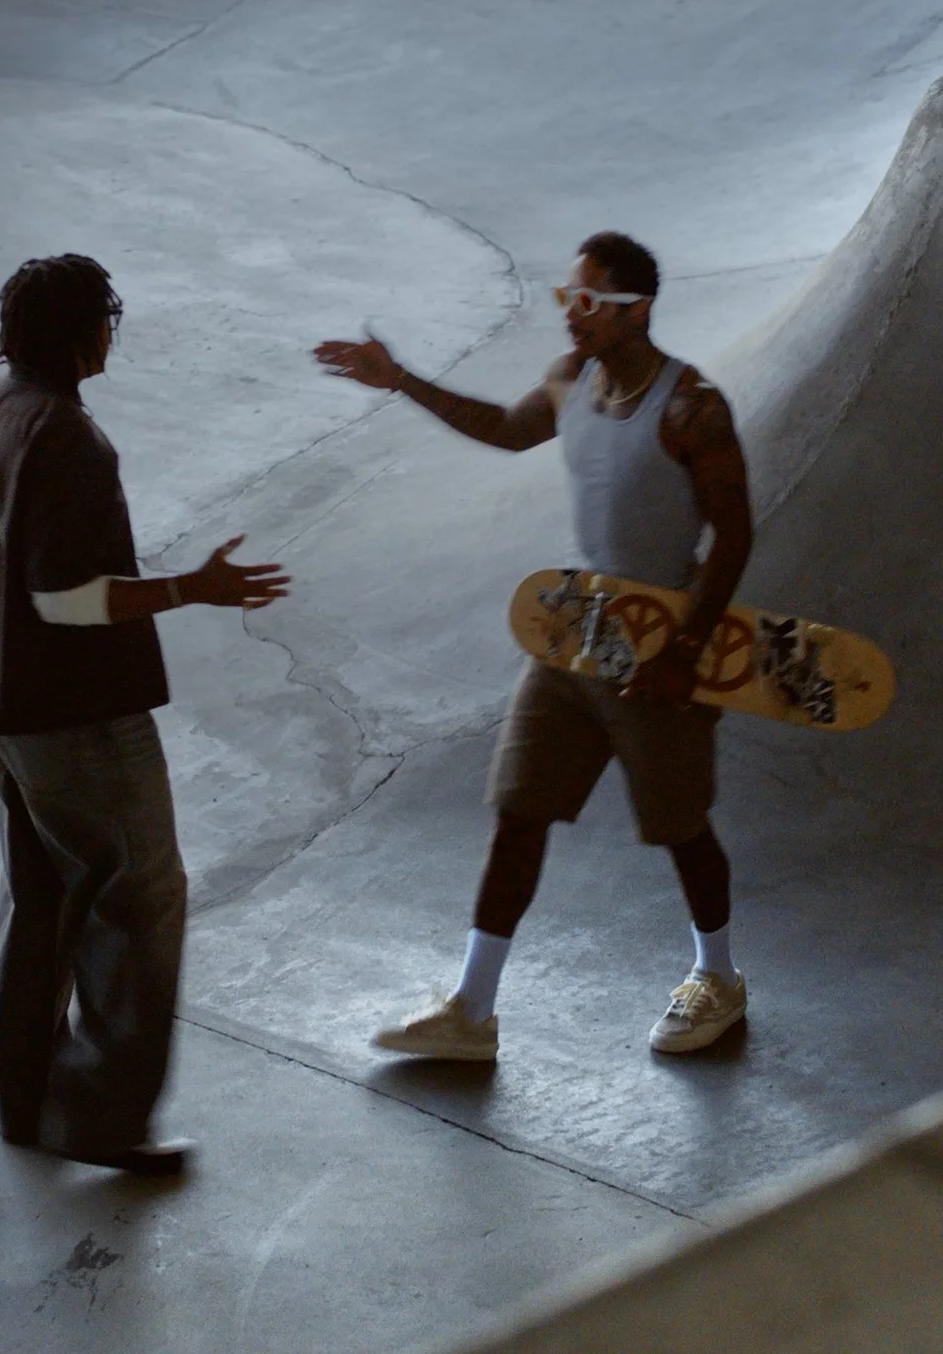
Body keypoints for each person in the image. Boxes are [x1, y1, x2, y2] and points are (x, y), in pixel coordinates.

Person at [313, 231, 754, 1061]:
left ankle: (720, 979)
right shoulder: (569, 382)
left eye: (588, 302)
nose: (572, 315)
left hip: (658, 644)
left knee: (680, 826)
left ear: (637, 311)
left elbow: (734, 533)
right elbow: (509, 430)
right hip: (570, 632)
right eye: (567, 298)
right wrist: (400, 379)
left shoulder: (693, 407)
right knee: (518, 813)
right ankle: (471, 1011)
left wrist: (686, 649)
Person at [0, 253, 289, 1175]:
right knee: (137, 898)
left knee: (42, 894)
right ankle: (100, 1114)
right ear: (87, 332)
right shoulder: (64, 438)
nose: (110, 336)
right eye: (107, 321)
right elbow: (66, 598)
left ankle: (27, 1104)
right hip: (78, 718)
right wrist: (192, 588)